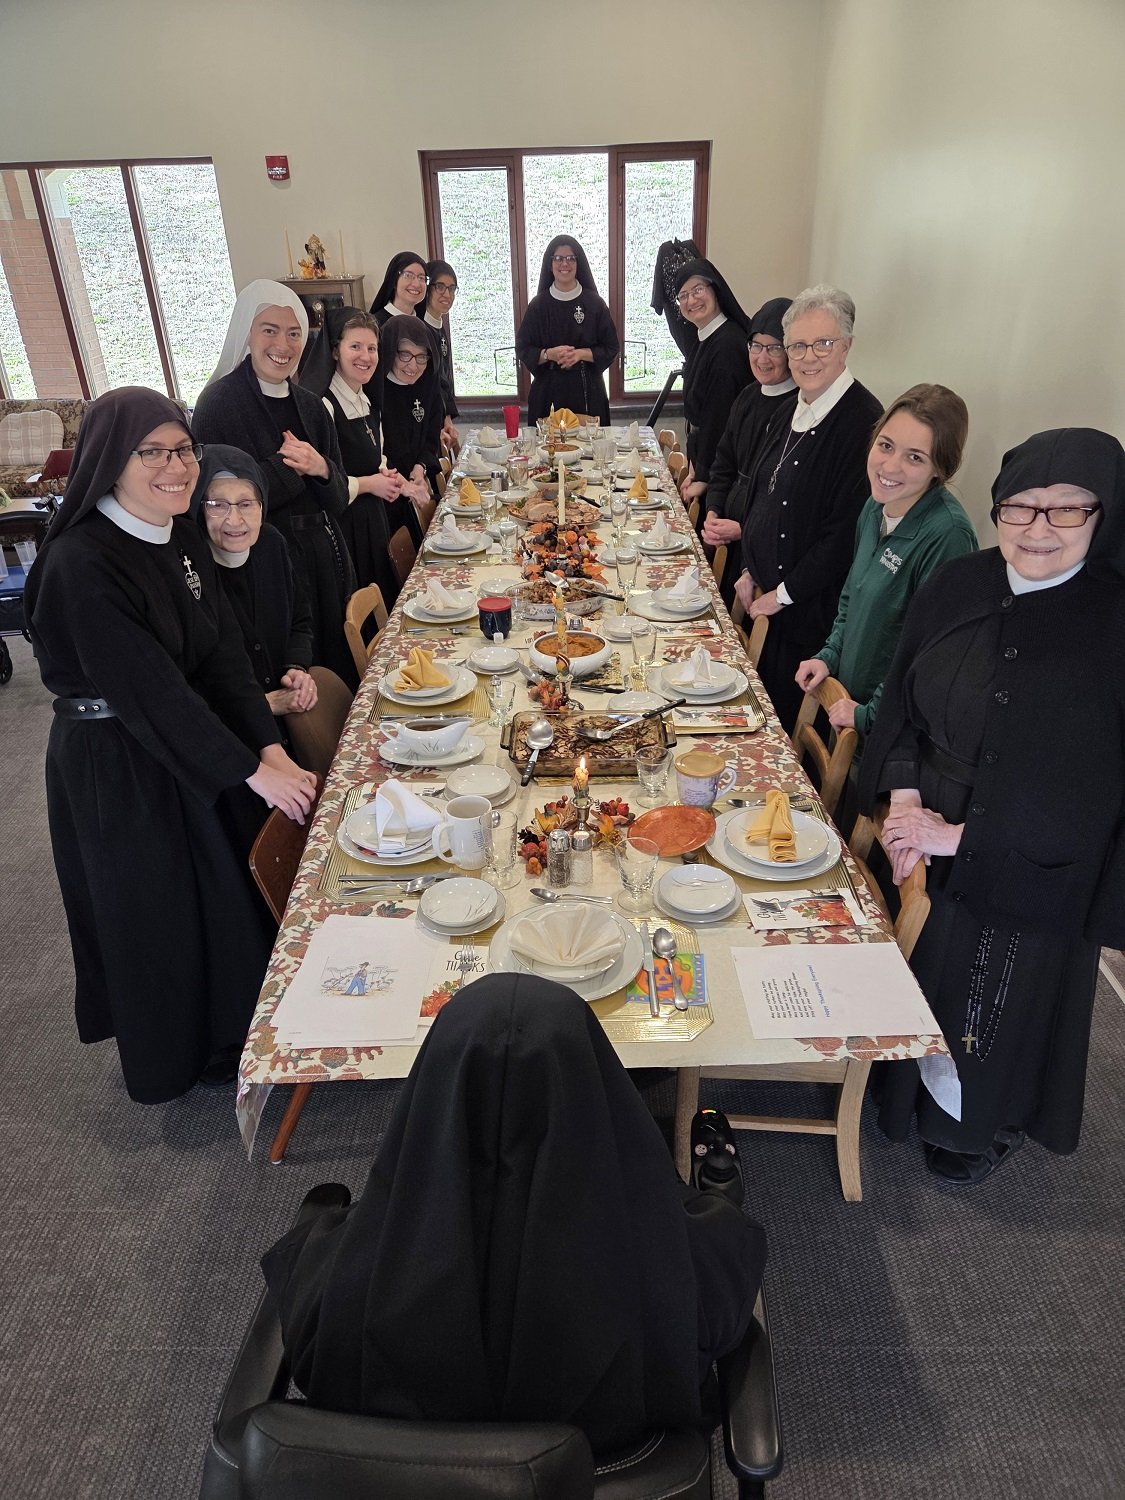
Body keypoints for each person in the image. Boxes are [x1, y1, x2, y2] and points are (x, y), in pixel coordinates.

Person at [262, 976, 766, 1453]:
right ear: (598, 1081)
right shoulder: (679, 1269)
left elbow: (310, 1360)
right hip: (605, 1464)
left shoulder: (339, 1288)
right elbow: (726, 1300)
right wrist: (691, 1202)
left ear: (434, 1083)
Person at [25, 388, 317, 1104]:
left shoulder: (178, 534)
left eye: (181, 449)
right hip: (113, 761)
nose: (174, 467)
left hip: (185, 730)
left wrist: (267, 747)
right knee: (154, 907)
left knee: (213, 888)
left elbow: (218, 655)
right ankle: (174, 1057)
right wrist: (250, 768)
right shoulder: (81, 563)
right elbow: (148, 688)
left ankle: (228, 1030)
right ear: (109, 462)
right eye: (150, 453)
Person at [859, 427, 1125, 1184]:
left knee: (987, 999)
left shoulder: (1113, 622)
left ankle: (977, 1120)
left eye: (1064, 511)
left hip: (1035, 855)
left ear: (1101, 516)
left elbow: (1095, 786)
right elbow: (903, 701)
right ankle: (897, 1085)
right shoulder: (961, 583)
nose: (1037, 530)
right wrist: (902, 803)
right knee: (917, 962)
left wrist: (962, 836)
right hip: (923, 812)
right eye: (1019, 509)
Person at [192, 280, 357, 688]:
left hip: (326, 556)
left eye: (294, 332)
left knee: (336, 667)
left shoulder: (311, 406)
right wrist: (290, 467)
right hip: (266, 566)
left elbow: (337, 499)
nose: (282, 343)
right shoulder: (218, 404)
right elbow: (217, 500)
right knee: (289, 672)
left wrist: (319, 467)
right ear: (246, 332)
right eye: (269, 329)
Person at [734, 284, 882, 732]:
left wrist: (780, 595)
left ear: (847, 346)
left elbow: (842, 536)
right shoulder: (789, 409)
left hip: (808, 614)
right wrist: (748, 569)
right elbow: (760, 497)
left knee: (783, 731)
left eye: (824, 343)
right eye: (797, 345)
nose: (808, 356)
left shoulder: (862, 421)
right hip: (767, 600)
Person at [794, 384, 977, 739]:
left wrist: (870, 715)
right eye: (886, 445)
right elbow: (853, 596)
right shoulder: (874, 506)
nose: (889, 466)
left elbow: (932, 654)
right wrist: (830, 655)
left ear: (940, 467)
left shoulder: (947, 536)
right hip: (846, 707)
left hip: (887, 732)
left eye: (915, 457)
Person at [300, 307, 423, 611]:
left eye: (372, 348)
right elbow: (324, 482)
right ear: (335, 351)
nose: (365, 356)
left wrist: (395, 479)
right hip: (345, 528)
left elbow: (376, 459)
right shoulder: (324, 407)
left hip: (373, 520)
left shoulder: (367, 400)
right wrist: (372, 484)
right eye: (355, 346)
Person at [194, 444, 318, 730]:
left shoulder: (271, 545)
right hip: (227, 733)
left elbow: (300, 621)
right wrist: (264, 704)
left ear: (262, 506)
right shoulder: (190, 567)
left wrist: (296, 668)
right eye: (218, 505)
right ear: (198, 506)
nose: (234, 520)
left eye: (246, 504)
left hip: (286, 722)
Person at [701, 296, 796, 603]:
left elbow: (785, 499)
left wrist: (743, 529)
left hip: (760, 549)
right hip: (726, 530)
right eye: (756, 346)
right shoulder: (747, 396)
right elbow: (723, 462)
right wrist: (713, 510)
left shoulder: (797, 408)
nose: (763, 358)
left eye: (774, 348)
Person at [673, 259, 754, 515]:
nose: (691, 300)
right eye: (683, 295)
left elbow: (719, 419)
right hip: (706, 460)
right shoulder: (704, 337)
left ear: (715, 290)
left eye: (698, 290)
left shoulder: (727, 345)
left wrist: (705, 477)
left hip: (724, 471)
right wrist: (696, 468)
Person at [516, 236, 618, 427]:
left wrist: (580, 354)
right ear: (550, 263)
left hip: (588, 388)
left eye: (571, 258)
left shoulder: (594, 304)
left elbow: (611, 347)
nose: (565, 264)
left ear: (578, 263)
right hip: (547, 391)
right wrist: (548, 354)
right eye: (558, 258)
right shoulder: (538, 306)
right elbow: (523, 348)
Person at [378, 314, 444, 494]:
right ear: (390, 351)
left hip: (419, 482)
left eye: (422, 356)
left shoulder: (428, 385)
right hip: (386, 489)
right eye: (405, 355)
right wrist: (403, 483)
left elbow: (432, 435)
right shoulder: (375, 390)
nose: (413, 366)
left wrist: (420, 468)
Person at [422, 258, 460, 449]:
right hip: (425, 422)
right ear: (428, 289)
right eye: (441, 287)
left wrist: (447, 419)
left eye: (452, 288)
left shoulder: (439, 326)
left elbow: (445, 379)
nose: (447, 294)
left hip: (440, 422)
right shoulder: (420, 328)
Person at [368, 250, 428, 328]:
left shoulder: (423, 325)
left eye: (421, 278)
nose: (416, 284)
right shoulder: (375, 325)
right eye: (408, 275)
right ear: (394, 280)